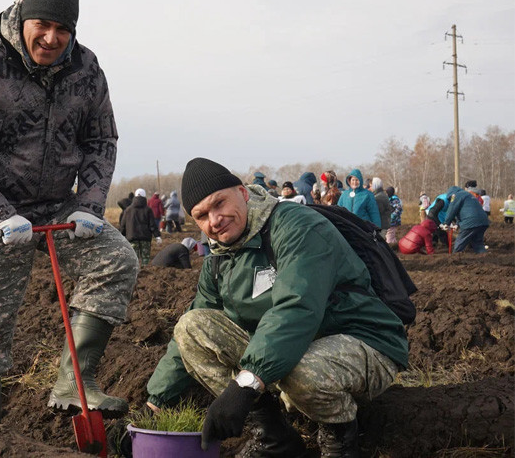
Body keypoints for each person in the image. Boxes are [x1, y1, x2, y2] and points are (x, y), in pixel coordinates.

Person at [0, 0, 138, 423]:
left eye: (62, 29)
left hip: (55, 205)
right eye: (42, 25)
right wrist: (1, 214)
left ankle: (74, 382)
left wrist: (90, 202)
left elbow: (102, 138)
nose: (51, 38)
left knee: (115, 260)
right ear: (23, 19)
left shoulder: (87, 69)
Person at [142, 158, 408, 457]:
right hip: (295, 350)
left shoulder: (296, 226)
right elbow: (188, 336)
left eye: (220, 204)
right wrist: (154, 404)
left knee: (300, 371)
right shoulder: (219, 256)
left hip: (363, 341)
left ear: (243, 193)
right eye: (202, 215)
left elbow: (297, 307)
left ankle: (340, 440)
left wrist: (245, 384)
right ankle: (273, 437)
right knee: (192, 327)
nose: (214, 220)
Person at [119, 188, 161, 266]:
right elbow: (152, 225)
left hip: (132, 238)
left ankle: (137, 276)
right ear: (144, 197)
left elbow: (123, 225)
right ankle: (146, 274)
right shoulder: (148, 210)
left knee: (134, 260)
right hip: (145, 239)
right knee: (145, 261)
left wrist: (121, 236)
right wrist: (157, 236)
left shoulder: (128, 210)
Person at [443, 186, 490, 254]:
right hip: (483, 221)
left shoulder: (455, 196)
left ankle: (455, 258)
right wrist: (457, 224)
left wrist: (446, 223)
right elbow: (465, 211)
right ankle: (485, 258)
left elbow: (452, 210)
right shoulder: (468, 195)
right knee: (478, 243)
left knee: (460, 243)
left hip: (470, 222)